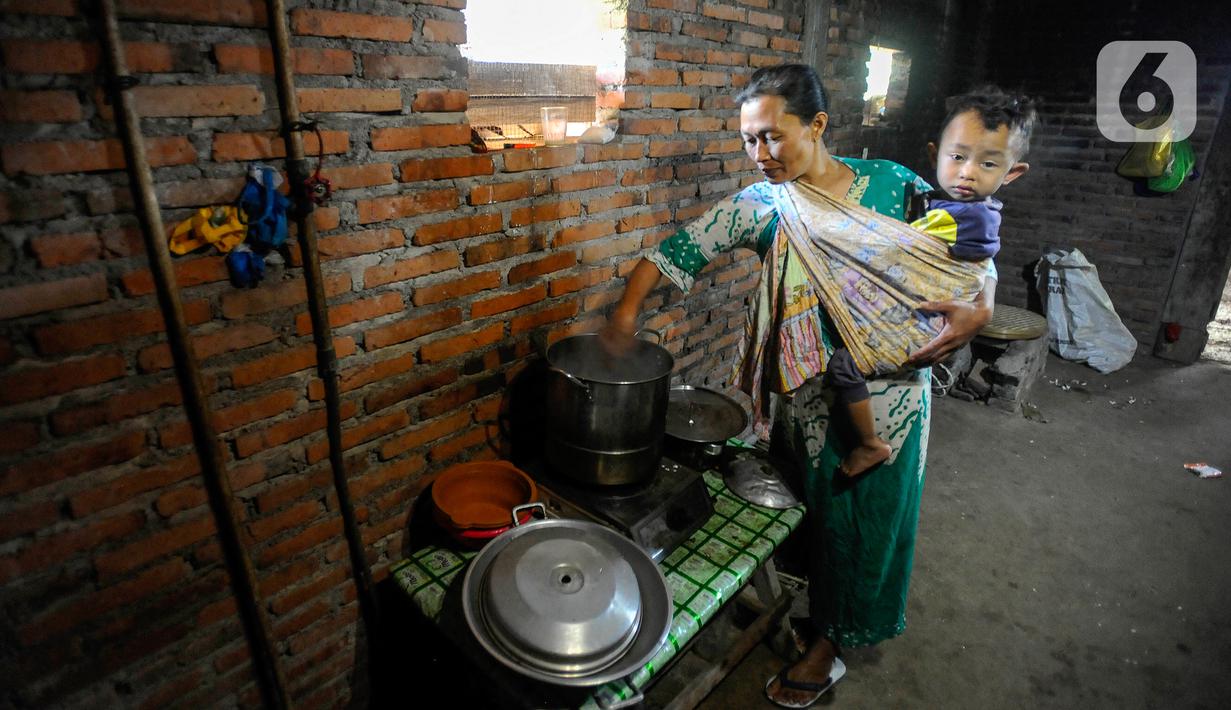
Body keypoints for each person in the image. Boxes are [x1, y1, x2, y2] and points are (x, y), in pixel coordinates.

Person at [604, 64, 998, 708]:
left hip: (892, 395)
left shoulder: (893, 186)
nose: (759, 154)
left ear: (816, 125)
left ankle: (832, 643)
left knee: (864, 522)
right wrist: (625, 315)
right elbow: (679, 250)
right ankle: (812, 597)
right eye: (748, 140)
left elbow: (970, 245)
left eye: (771, 137)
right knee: (815, 513)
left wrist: (982, 303)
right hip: (808, 396)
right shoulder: (763, 205)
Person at [832, 86, 1036, 477]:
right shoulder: (943, 202)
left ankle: (870, 444)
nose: (967, 172)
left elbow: (947, 261)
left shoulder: (974, 218)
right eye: (957, 157)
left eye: (988, 165)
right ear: (934, 154)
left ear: (1012, 173)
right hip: (918, 316)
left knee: (844, 366)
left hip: (917, 325)